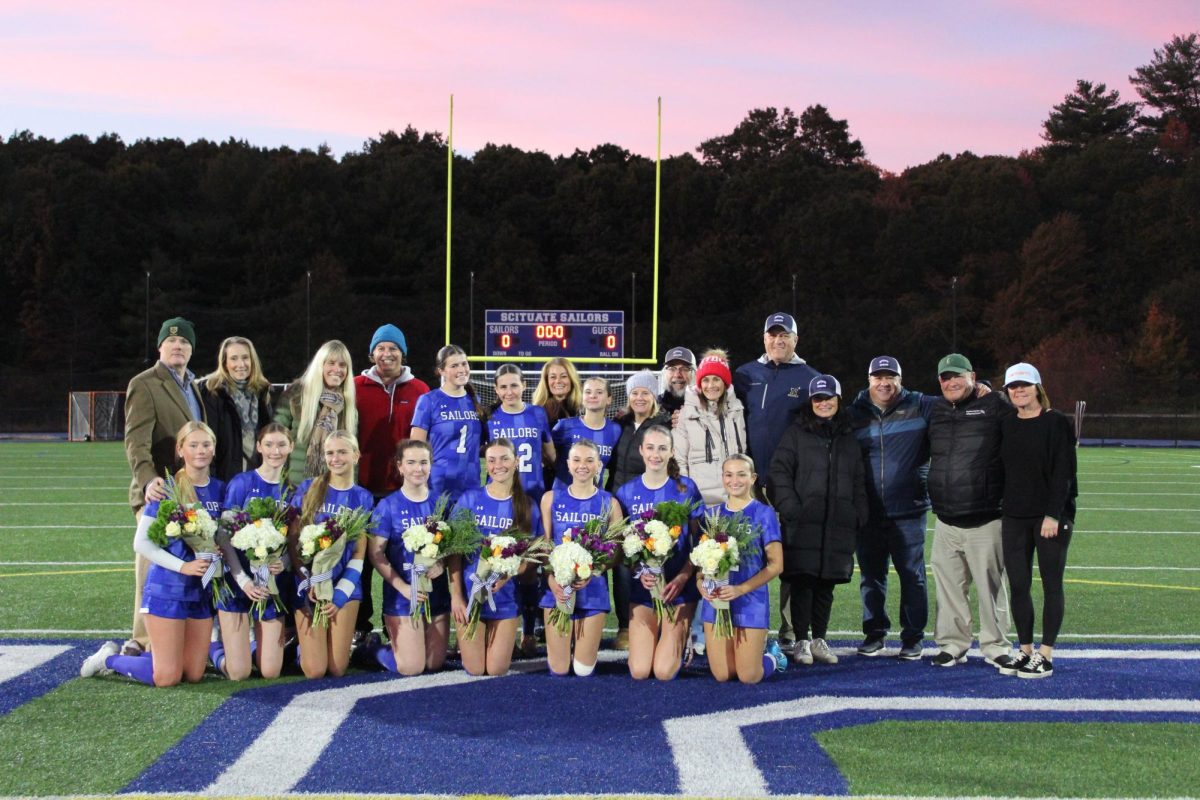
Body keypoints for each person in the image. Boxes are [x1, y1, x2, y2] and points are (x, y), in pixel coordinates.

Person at [82, 422, 223, 686]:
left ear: (214, 448)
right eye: (193, 445)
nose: (201, 451)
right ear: (180, 450)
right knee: (167, 677)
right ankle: (109, 659)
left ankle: (159, 658)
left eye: (206, 444)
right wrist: (183, 567)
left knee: (193, 674)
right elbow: (142, 543)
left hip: (200, 592)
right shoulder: (165, 488)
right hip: (167, 589)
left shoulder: (220, 489)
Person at [733, 311, 819, 653]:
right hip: (747, 484)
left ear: (796, 340)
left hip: (789, 484)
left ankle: (789, 630)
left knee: (788, 558)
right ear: (764, 338)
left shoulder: (810, 377)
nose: (778, 340)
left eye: (785, 335)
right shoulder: (744, 374)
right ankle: (742, 620)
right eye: (773, 334)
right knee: (741, 554)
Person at [122, 316, 207, 656]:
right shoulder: (145, 383)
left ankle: (179, 636)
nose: (178, 346)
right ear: (160, 346)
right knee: (152, 565)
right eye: (171, 342)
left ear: (191, 349)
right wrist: (147, 481)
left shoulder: (194, 385)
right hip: (160, 491)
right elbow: (135, 441)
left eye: (184, 342)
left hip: (190, 492)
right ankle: (141, 640)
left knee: (184, 566)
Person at [770, 375, 867, 667]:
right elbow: (779, 474)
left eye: (829, 398)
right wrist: (792, 509)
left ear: (838, 400)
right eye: (818, 399)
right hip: (803, 523)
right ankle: (801, 639)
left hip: (837, 522)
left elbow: (859, 480)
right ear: (811, 402)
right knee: (803, 582)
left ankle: (819, 638)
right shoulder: (796, 433)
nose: (824, 403)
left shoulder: (849, 437)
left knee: (827, 584)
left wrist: (858, 513)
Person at [927, 353, 1015, 669]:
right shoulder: (935, 409)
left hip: (986, 516)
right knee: (949, 588)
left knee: (990, 587)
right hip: (946, 519)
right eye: (945, 378)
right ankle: (953, 644)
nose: (951, 382)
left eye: (957, 376)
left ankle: (996, 645)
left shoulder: (995, 406)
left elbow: (1021, 430)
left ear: (972, 377)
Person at [847, 356, 936, 661]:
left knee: (912, 575)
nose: (884, 383)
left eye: (890, 377)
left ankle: (913, 638)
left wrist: (981, 389)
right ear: (869, 380)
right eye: (878, 377)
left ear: (900, 379)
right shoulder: (854, 414)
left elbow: (957, 402)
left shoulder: (921, 405)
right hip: (868, 511)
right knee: (871, 576)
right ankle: (875, 634)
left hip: (909, 508)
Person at [999, 363, 1077, 679]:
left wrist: (1053, 514)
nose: (1018, 390)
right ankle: (1025, 650)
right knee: (1018, 585)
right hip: (1015, 516)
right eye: (1013, 386)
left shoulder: (1056, 422)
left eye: (1024, 385)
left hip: (1050, 518)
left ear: (1037, 387)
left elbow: (1064, 473)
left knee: (1051, 583)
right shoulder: (1006, 424)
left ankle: (1045, 654)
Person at [354, 324, 430, 643]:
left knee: (399, 556)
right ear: (372, 352)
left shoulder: (419, 390)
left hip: (401, 490)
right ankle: (360, 625)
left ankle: (394, 619)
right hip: (361, 487)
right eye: (381, 348)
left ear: (403, 353)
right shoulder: (355, 386)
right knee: (362, 560)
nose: (387, 354)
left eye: (393, 348)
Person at [614, 425, 703, 680]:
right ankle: (671, 637)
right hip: (643, 589)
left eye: (662, 448)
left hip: (679, 590)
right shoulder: (626, 492)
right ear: (641, 450)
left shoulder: (686, 488)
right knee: (641, 671)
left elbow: (699, 541)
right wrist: (638, 570)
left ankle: (682, 636)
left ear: (672, 451)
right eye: (650, 447)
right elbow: (624, 547)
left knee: (664, 672)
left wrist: (684, 577)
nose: (656, 454)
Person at [449, 439, 543, 676]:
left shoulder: (528, 506)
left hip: (506, 599)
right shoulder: (470, 500)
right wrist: (457, 597)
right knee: (475, 668)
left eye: (504, 459)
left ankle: (506, 638)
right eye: (491, 460)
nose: (497, 465)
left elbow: (532, 557)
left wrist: (510, 572)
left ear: (516, 462)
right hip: (471, 598)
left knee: (497, 669)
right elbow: (454, 553)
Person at [211, 423, 294, 680]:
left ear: (291, 447)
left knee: (270, 671)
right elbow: (223, 536)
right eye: (268, 444)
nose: (275, 451)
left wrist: (284, 561)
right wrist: (243, 580)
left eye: (281, 444)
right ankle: (212, 648)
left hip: (270, 586)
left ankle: (252, 647)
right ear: (259, 447)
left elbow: (293, 539)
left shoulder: (292, 490)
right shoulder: (242, 482)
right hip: (238, 583)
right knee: (239, 673)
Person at [288, 431, 373, 678]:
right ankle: (295, 648)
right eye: (330, 453)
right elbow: (293, 541)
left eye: (342, 452)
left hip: (344, 586)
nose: (335, 458)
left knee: (337, 668)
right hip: (308, 584)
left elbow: (359, 553)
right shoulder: (309, 487)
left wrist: (340, 594)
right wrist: (309, 579)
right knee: (315, 671)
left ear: (356, 456)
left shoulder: (363, 497)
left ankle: (366, 649)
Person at [697, 454, 787, 684]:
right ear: (722, 478)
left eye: (741, 474)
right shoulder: (712, 515)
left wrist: (741, 589)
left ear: (753, 478)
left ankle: (773, 657)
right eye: (728, 474)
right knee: (723, 675)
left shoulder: (763, 513)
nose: (734, 480)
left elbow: (776, 565)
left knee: (749, 676)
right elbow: (700, 566)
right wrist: (701, 586)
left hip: (750, 601)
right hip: (717, 603)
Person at [539, 439, 624, 677]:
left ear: (599, 465)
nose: (582, 466)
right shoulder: (550, 498)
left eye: (589, 460)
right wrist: (551, 581)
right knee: (559, 669)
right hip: (557, 591)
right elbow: (544, 548)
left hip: (593, 591)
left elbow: (616, 553)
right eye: (576, 460)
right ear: (568, 464)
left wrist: (593, 571)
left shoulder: (610, 503)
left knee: (583, 670)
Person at [369, 439, 451, 676]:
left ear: (431, 465)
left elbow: (452, 547)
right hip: (402, 598)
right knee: (411, 667)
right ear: (400, 466)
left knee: (434, 664)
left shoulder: (441, 503)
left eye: (424, 462)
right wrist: (403, 587)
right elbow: (376, 554)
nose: (418, 469)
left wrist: (442, 562)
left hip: (436, 595)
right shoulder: (388, 506)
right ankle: (373, 649)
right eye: (411, 462)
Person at [605, 370, 671, 650]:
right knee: (620, 564)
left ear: (653, 395)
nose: (639, 397)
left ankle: (656, 620)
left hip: (647, 503)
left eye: (645, 392)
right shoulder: (621, 424)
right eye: (634, 393)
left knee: (651, 560)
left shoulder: (662, 424)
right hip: (617, 503)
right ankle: (625, 626)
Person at [273, 340, 358, 486]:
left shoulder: (349, 407)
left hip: (331, 488)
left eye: (342, 365)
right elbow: (275, 441)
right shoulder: (295, 396)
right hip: (292, 486)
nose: (337, 369)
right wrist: (278, 481)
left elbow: (352, 454)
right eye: (331, 363)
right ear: (320, 365)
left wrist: (350, 488)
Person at [411, 344, 484, 506]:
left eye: (464, 364)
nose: (461, 369)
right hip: (437, 486)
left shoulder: (475, 401)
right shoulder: (429, 401)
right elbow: (415, 448)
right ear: (441, 371)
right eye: (454, 365)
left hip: (471, 485)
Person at [198, 336, 274, 483]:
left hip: (258, 476)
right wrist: (210, 481)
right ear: (225, 363)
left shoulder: (262, 391)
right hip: (225, 477)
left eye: (245, 357)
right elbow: (209, 440)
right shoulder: (212, 392)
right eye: (234, 358)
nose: (241, 364)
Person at [675, 350, 746, 506]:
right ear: (699, 384)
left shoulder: (737, 411)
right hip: (701, 502)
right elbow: (679, 460)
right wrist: (687, 496)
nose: (711, 385)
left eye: (716, 379)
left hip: (734, 500)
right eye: (705, 380)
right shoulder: (686, 414)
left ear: (725, 383)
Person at [487, 364, 555, 502]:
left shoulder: (538, 413)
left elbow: (551, 454)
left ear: (524, 385)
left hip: (533, 488)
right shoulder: (489, 416)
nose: (509, 392)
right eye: (503, 387)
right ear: (496, 389)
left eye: (514, 385)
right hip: (499, 490)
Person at [550, 376, 621, 489]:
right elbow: (547, 457)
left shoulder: (615, 430)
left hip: (595, 499)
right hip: (563, 496)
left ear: (609, 399)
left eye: (599, 392)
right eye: (588, 392)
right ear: (582, 398)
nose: (593, 395)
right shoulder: (564, 426)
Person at [532, 357, 582, 490]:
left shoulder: (578, 408)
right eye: (552, 377)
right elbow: (544, 453)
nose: (558, 381)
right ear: (546, 382)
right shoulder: (543, 410)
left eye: (563, 376)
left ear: (571, 379)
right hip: (552, 479)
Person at [658, 346, 696, 418]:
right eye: (672, 369)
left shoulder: (704, 408)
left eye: (685, 369)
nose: (677, 375)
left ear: (694, 374)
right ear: (664, 373)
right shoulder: (654, 407)